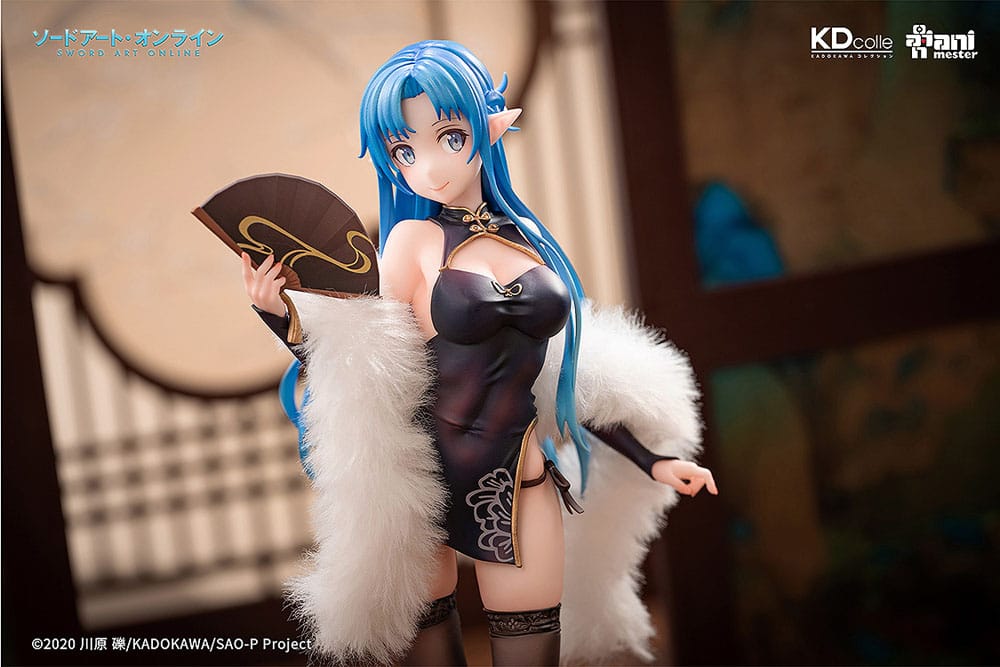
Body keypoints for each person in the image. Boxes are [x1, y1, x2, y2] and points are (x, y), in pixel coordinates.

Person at [241, 40, 716, 666]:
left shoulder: (529, 237)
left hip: (519, 480)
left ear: (490, 129)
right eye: (404, 151)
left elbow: (569, 377)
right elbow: (367, 362)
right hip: (423, 486)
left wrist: (650, 458)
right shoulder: (411, 241)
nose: (429, 167)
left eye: (449, 137)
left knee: (532, 649)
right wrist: (281, 317)